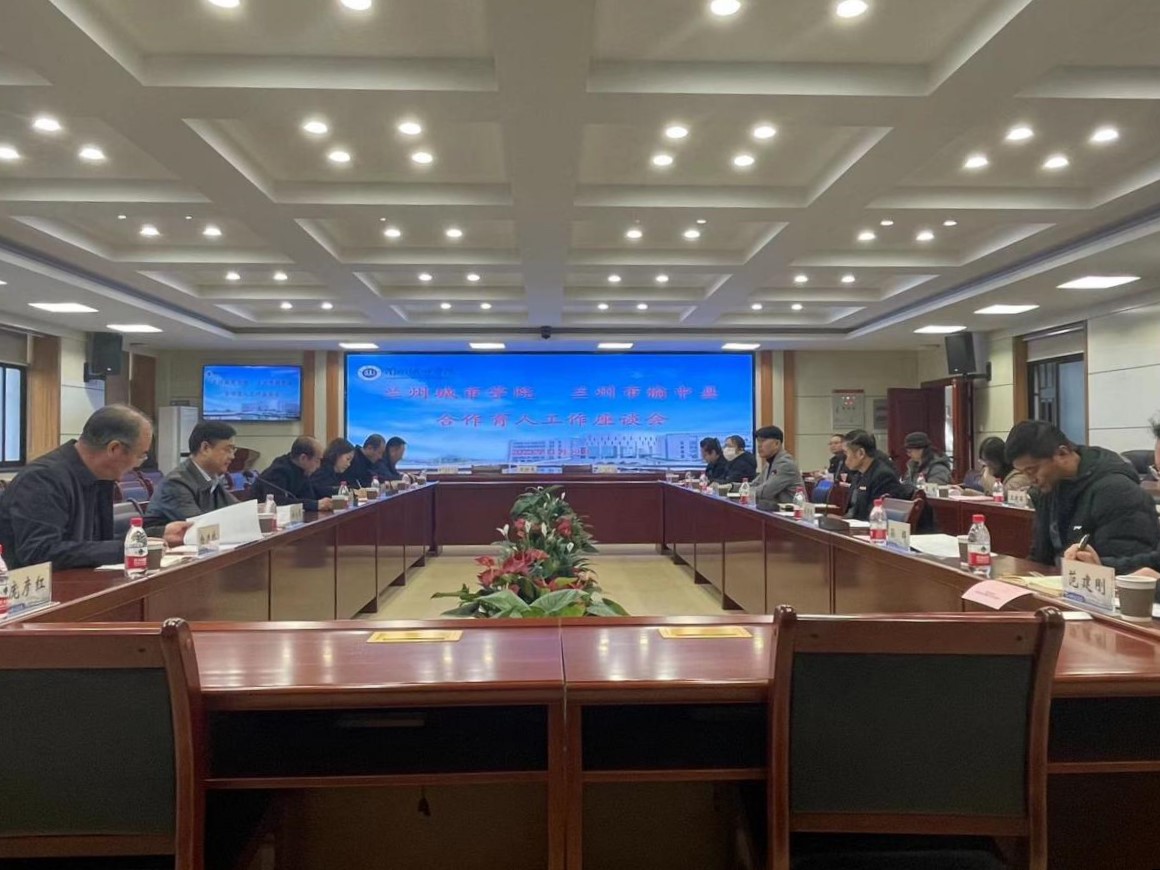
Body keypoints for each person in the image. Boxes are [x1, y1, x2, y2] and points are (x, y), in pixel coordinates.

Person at [0, 405, 190, 569]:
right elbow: (40, 552)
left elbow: (95, 544)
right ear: (114, 449)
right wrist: (130, 549)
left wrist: (156, 535)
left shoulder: (100, 478)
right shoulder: (43, 480)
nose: (139, 464)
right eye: (141, 455)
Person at [1005, 420, 1158, 571]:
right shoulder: (1049, 489)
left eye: (1032, 471)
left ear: (1062, 453)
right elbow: (1040, 557)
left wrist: (1095, 566)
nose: (1031, 480)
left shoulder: (1117, 491)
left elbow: (1133, 570)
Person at [144, 420, 238, 525]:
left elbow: (238, 511)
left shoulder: (213, 481)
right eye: (228, 450)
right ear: (205, 448)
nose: (232, 456)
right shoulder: (176, 483)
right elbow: (199, 525)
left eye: (233, 450)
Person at [843, 429, 913, 521]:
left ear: (861, 453)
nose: (844, 459)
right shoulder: (859, 474)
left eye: (846, 453)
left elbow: (875, 516)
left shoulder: (883, 476)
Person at [252, 436, 333, 512]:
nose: (319, 466)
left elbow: (309, 497)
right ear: (303, 458)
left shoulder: (303, 470)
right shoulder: (278, 471)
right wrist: (315, 505)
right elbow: (277, 502)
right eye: (317, 460)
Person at [751, 425, 804, 511]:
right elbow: (754, 484)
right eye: (758, 442)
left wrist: (745, 491)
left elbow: (765, 492)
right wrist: (731, 487)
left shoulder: (785, 464)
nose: (759, 446)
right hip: (775, 511)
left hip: (792, 514)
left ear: (777, 444)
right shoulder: (769, 463)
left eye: (762, 441)